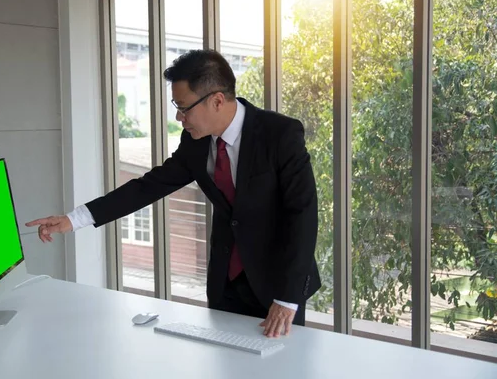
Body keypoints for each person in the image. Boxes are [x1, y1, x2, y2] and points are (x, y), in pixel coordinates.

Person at [26, 49, 320, 338]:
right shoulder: (195, 142)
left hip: (277, 285)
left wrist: (287, 297)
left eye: (184, 107)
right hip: (225, 283)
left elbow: (303, 215)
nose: (180, 117)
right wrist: (73, 219)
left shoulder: (280, 134)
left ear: (217, 100)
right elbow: (149, 186)